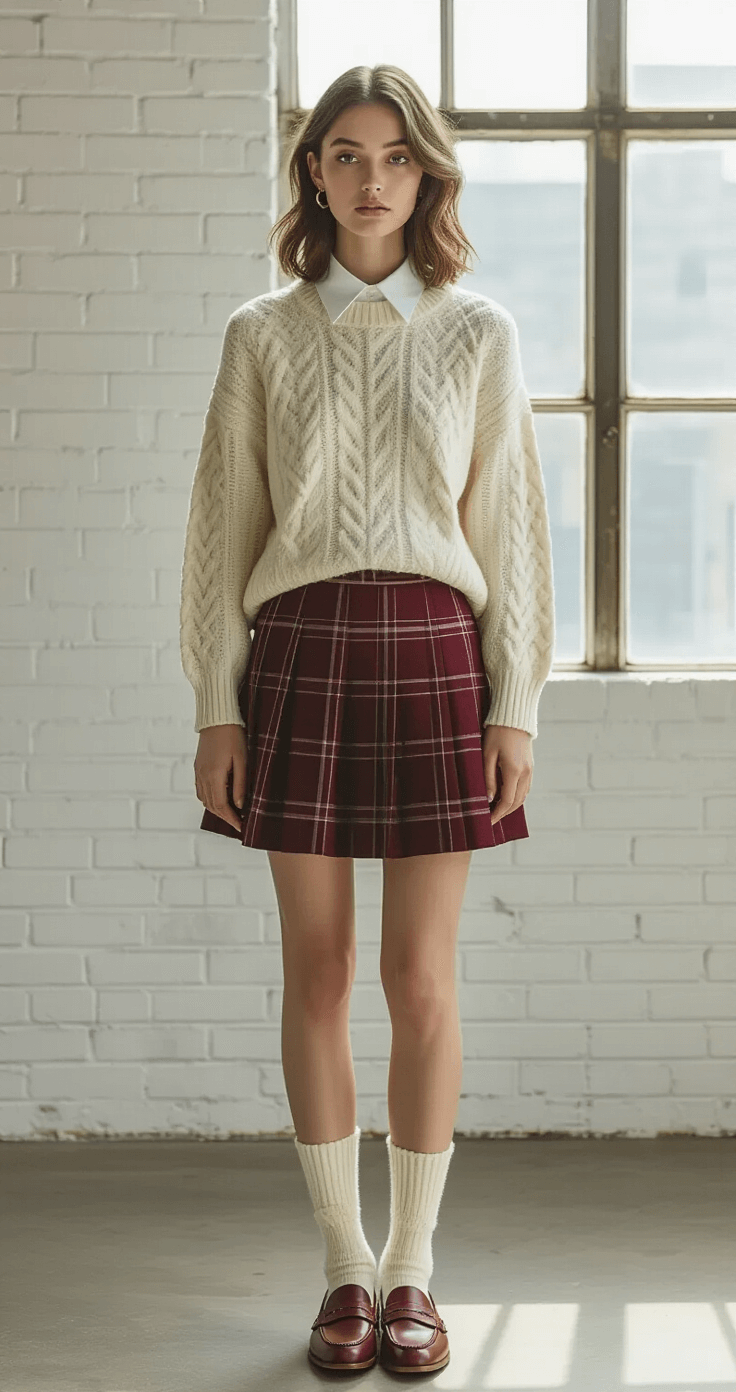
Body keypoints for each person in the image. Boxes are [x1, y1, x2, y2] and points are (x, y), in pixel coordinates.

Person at [179, 64, 555, 1375]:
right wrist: (215, 709)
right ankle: (344, 1269)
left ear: (428, 172)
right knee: (321, 973)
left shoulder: (479, 332)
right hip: (301, 654)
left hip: (438, 659)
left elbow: (509, 524)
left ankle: (414, 1276)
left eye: (396, 155)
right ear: (314, 175)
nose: (373, 177)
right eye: (345, 153)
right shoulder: (262, 335)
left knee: (424, 980)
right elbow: (223, 531)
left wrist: (519, 707)